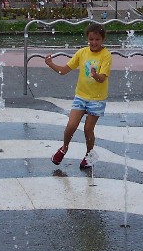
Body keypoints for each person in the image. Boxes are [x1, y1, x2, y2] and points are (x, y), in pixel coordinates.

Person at [46, 22, 112, 170]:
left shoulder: (106, 55)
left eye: (97, 39)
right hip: (81, 96)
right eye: (91, 39)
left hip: (97, 99)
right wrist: (51, 64)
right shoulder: (82, 53)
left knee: (88, 129)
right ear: (87, 39)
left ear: (102, 40)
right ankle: (64, 148)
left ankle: (89, 154)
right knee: (71, 125)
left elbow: (102, 77)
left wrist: (96, 76)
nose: (94, 42)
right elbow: (64, 70)